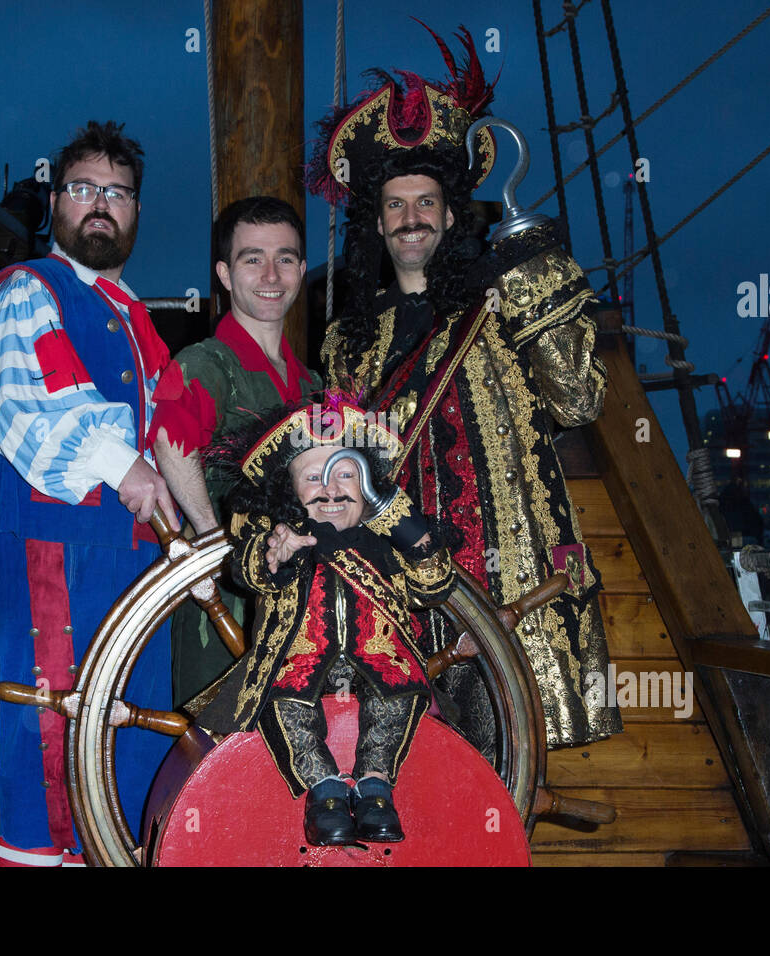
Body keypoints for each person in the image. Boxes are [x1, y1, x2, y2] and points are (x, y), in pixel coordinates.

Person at [308, 26, 622, 754]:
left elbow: (579, 401)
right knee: (408, 782)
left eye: (425, 202)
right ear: (377, 223)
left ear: (451, 215)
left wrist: (536, 265)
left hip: (508, 586)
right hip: (395, 589)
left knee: (511, 770)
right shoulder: (348, 343)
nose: (411, 217)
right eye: (395, 204)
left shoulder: (507, 301)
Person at [0, 120, 180, 867]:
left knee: (132, 740)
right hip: (46, 551)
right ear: (56, 201)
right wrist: (127, 468)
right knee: (48, 745)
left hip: (132, 565)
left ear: (136, 214)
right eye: (84, 188)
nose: (100, 204)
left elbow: (173, 443)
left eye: (117, 194)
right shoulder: (28, 291)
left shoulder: (138, 322)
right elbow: (27, 402)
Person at [186, 394, 455, 844]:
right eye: (313, 477)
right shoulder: (279, 533)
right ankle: (324, 790)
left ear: (369, 483)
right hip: (296, 661)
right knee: (285, 703)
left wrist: (404, 525)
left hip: (382, 658)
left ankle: (375, 783)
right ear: (288, 492)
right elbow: (249, 571)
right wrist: (277, 551)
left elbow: (435, 584)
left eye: (346, 473)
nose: (331, 488)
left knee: (399, 696)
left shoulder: (385, 538)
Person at [148, 196, 320, 706]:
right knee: (223, 755)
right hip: (229, 600)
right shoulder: (208, 362)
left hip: (303, 602)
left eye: (285, 258)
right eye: (252, 258)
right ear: (224, 273)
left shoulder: (313, 386)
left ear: (302, 270)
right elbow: (169, 438)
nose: (271, 273)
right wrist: (214, 538)